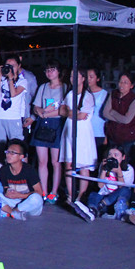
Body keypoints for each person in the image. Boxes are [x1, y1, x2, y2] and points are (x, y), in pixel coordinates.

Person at [59, 68, 97, 215]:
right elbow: (62, 111)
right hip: (69, 130)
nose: (72, 78)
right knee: (68, 163)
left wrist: (70, 112)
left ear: (83, 78)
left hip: (82, 133)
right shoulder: (69, 94)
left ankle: (81, 195)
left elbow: (81, 116)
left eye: (76, 76)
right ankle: (70, 194)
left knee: (83, 165)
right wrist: (72, 112)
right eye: (71, 76)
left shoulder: (88, 96)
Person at [30, 61, 67, 204]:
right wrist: (40, 111)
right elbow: (36, 107)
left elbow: (63, 110)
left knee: (56, 162)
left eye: (52, 69)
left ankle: (54, 192)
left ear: (59, 71)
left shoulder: (65, 88)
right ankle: (44, 191)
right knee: (42, 161)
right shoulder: (43, 87)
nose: (49, 72)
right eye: (47, 70)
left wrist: (46, 113)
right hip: (42, 124)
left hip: (57, 124)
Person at [0, 138, 44, 220]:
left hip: (28, 204)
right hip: (13, 202)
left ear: (21, 156)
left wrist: (20, 195)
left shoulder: (29, 170)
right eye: (7, 152)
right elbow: (6, 189)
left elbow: (39, 192)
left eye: (12, 153)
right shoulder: (4, 170)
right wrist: (7, 193)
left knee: (36, 198)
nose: (8, 155)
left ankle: (11, 212)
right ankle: (13, 213)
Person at [83, 144, 134, 221]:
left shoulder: (129, 169)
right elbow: (100, 186)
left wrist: (119, 172)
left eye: (116, 155)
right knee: (93, 194)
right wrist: (104, 169)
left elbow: (122, 188)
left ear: (123, 157)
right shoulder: (104, 165)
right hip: (104, 197)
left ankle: (100, 207)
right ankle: (92, 211)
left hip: (116, 201)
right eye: (110, 155)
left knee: (125, 190)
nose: (112, 157)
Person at [0, 54, 28, 147]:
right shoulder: (2, 80)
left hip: (13, 117)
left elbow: (13, 94)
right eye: (8, 66)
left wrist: (11, 78)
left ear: (19, 66)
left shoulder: (22, 81)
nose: (10, 68)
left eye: (13, 66)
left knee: (17, 146)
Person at [103, 71, 135, 158]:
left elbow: (127, 120)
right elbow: (105, 113)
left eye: (125, 82)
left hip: (128, 138)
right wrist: (121, 118)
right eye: (120, 82)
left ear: (131, 85)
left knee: (126, 161)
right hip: (113, 135)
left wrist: (112, 112)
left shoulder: (134, 99)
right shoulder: (113, 94)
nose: (122, 85)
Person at [87, 68, 108, 151]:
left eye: (91, 77)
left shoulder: (104, 94)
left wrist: (106, 135)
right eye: (87, 76)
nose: (88, 79)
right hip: (85, 130)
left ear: (98, 79)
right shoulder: (83, 92)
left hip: (99, 131)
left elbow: (107, 116)